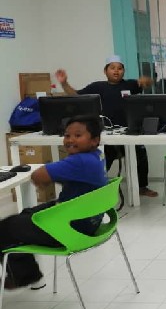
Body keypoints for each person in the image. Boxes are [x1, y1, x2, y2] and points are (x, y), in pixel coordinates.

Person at [0, 115, 108, 289]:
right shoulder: (97, 156)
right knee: (26, 215)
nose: (70, 140)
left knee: (6, 228)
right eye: (67, 135)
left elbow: (38, 175)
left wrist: (48, 178)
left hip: (69, 228)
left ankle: (24, 276)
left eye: (78, 135)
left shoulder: (79, 161)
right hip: (87, 221)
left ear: (95, 140)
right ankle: (25, 273)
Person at [55, 55, 158, 198]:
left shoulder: (130, 84)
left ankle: (142, 187)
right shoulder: (98, 87)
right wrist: (64, 83)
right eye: (112, 68)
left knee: (140, 156)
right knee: (102, 161)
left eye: (120, 68)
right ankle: (93, 188)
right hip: (108, 133)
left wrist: (147, 80)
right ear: (105, 71)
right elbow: (76, 95)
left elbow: (148, 83)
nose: (116, 71)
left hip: (130, 131)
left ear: (123, 71)